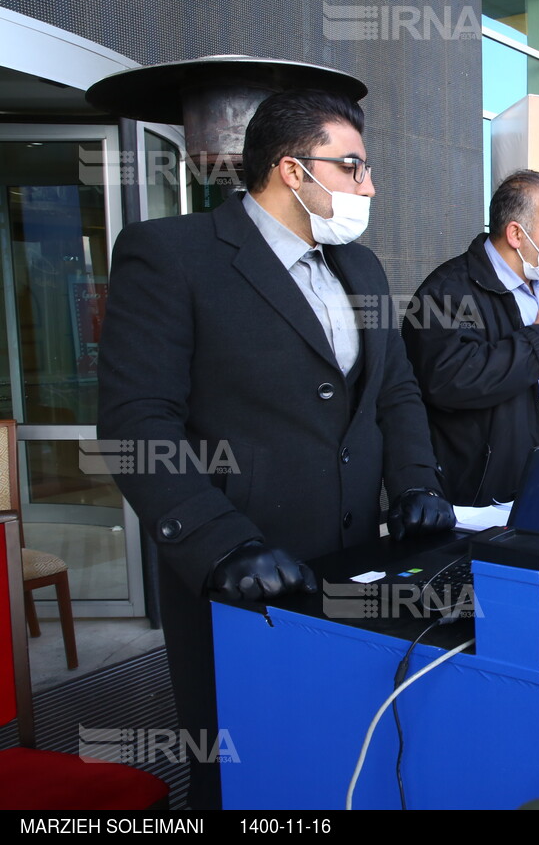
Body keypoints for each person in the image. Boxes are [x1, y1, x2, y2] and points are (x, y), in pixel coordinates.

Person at [97, 88, 455, 809]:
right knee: (246, 770)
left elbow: (396, 394)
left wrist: (417, 483)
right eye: (353, 166)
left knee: (343, 755)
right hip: (241, 577)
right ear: (294, 171)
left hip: (356, 572)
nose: (369, 185)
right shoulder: (173, 254)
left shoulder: (362, 268)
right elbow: (137, 422)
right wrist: (221, 545)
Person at [401, 169, 539, 507]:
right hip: (493, 503)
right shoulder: (444, 292)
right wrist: (538, 346)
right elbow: (445, 381)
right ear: (516, 233)